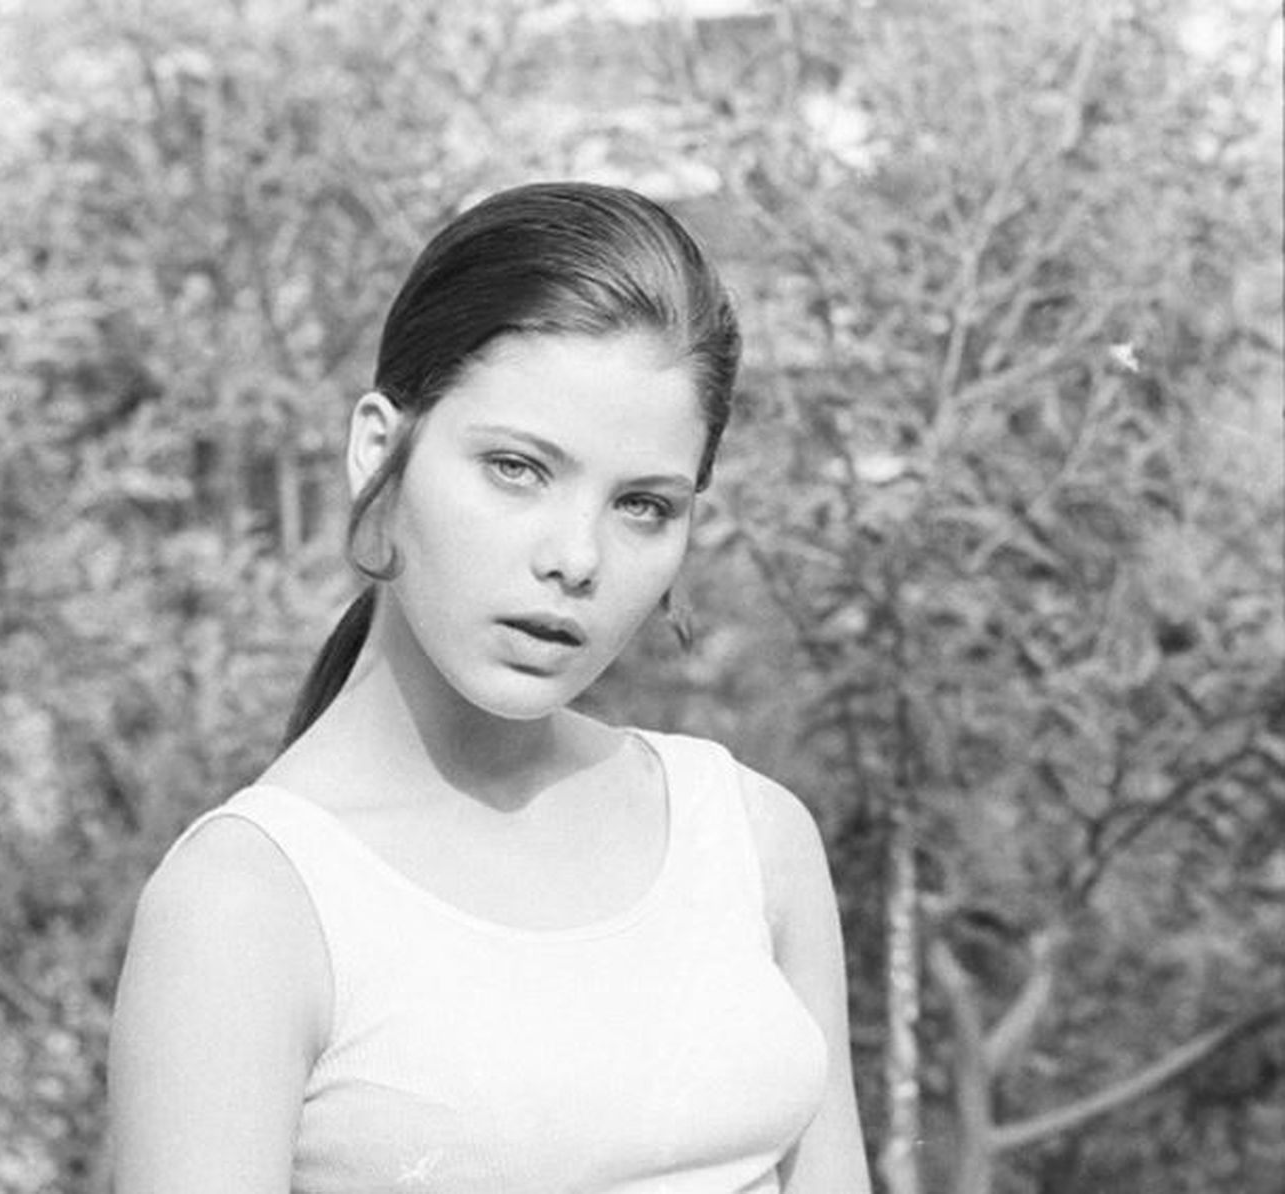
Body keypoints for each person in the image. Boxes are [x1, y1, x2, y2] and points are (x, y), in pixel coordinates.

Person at [107, 181, 872, 1193]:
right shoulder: (246, 905)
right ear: (378, 450)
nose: (576, 557)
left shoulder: (750, 838)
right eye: (517, 469)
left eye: (643, 505)